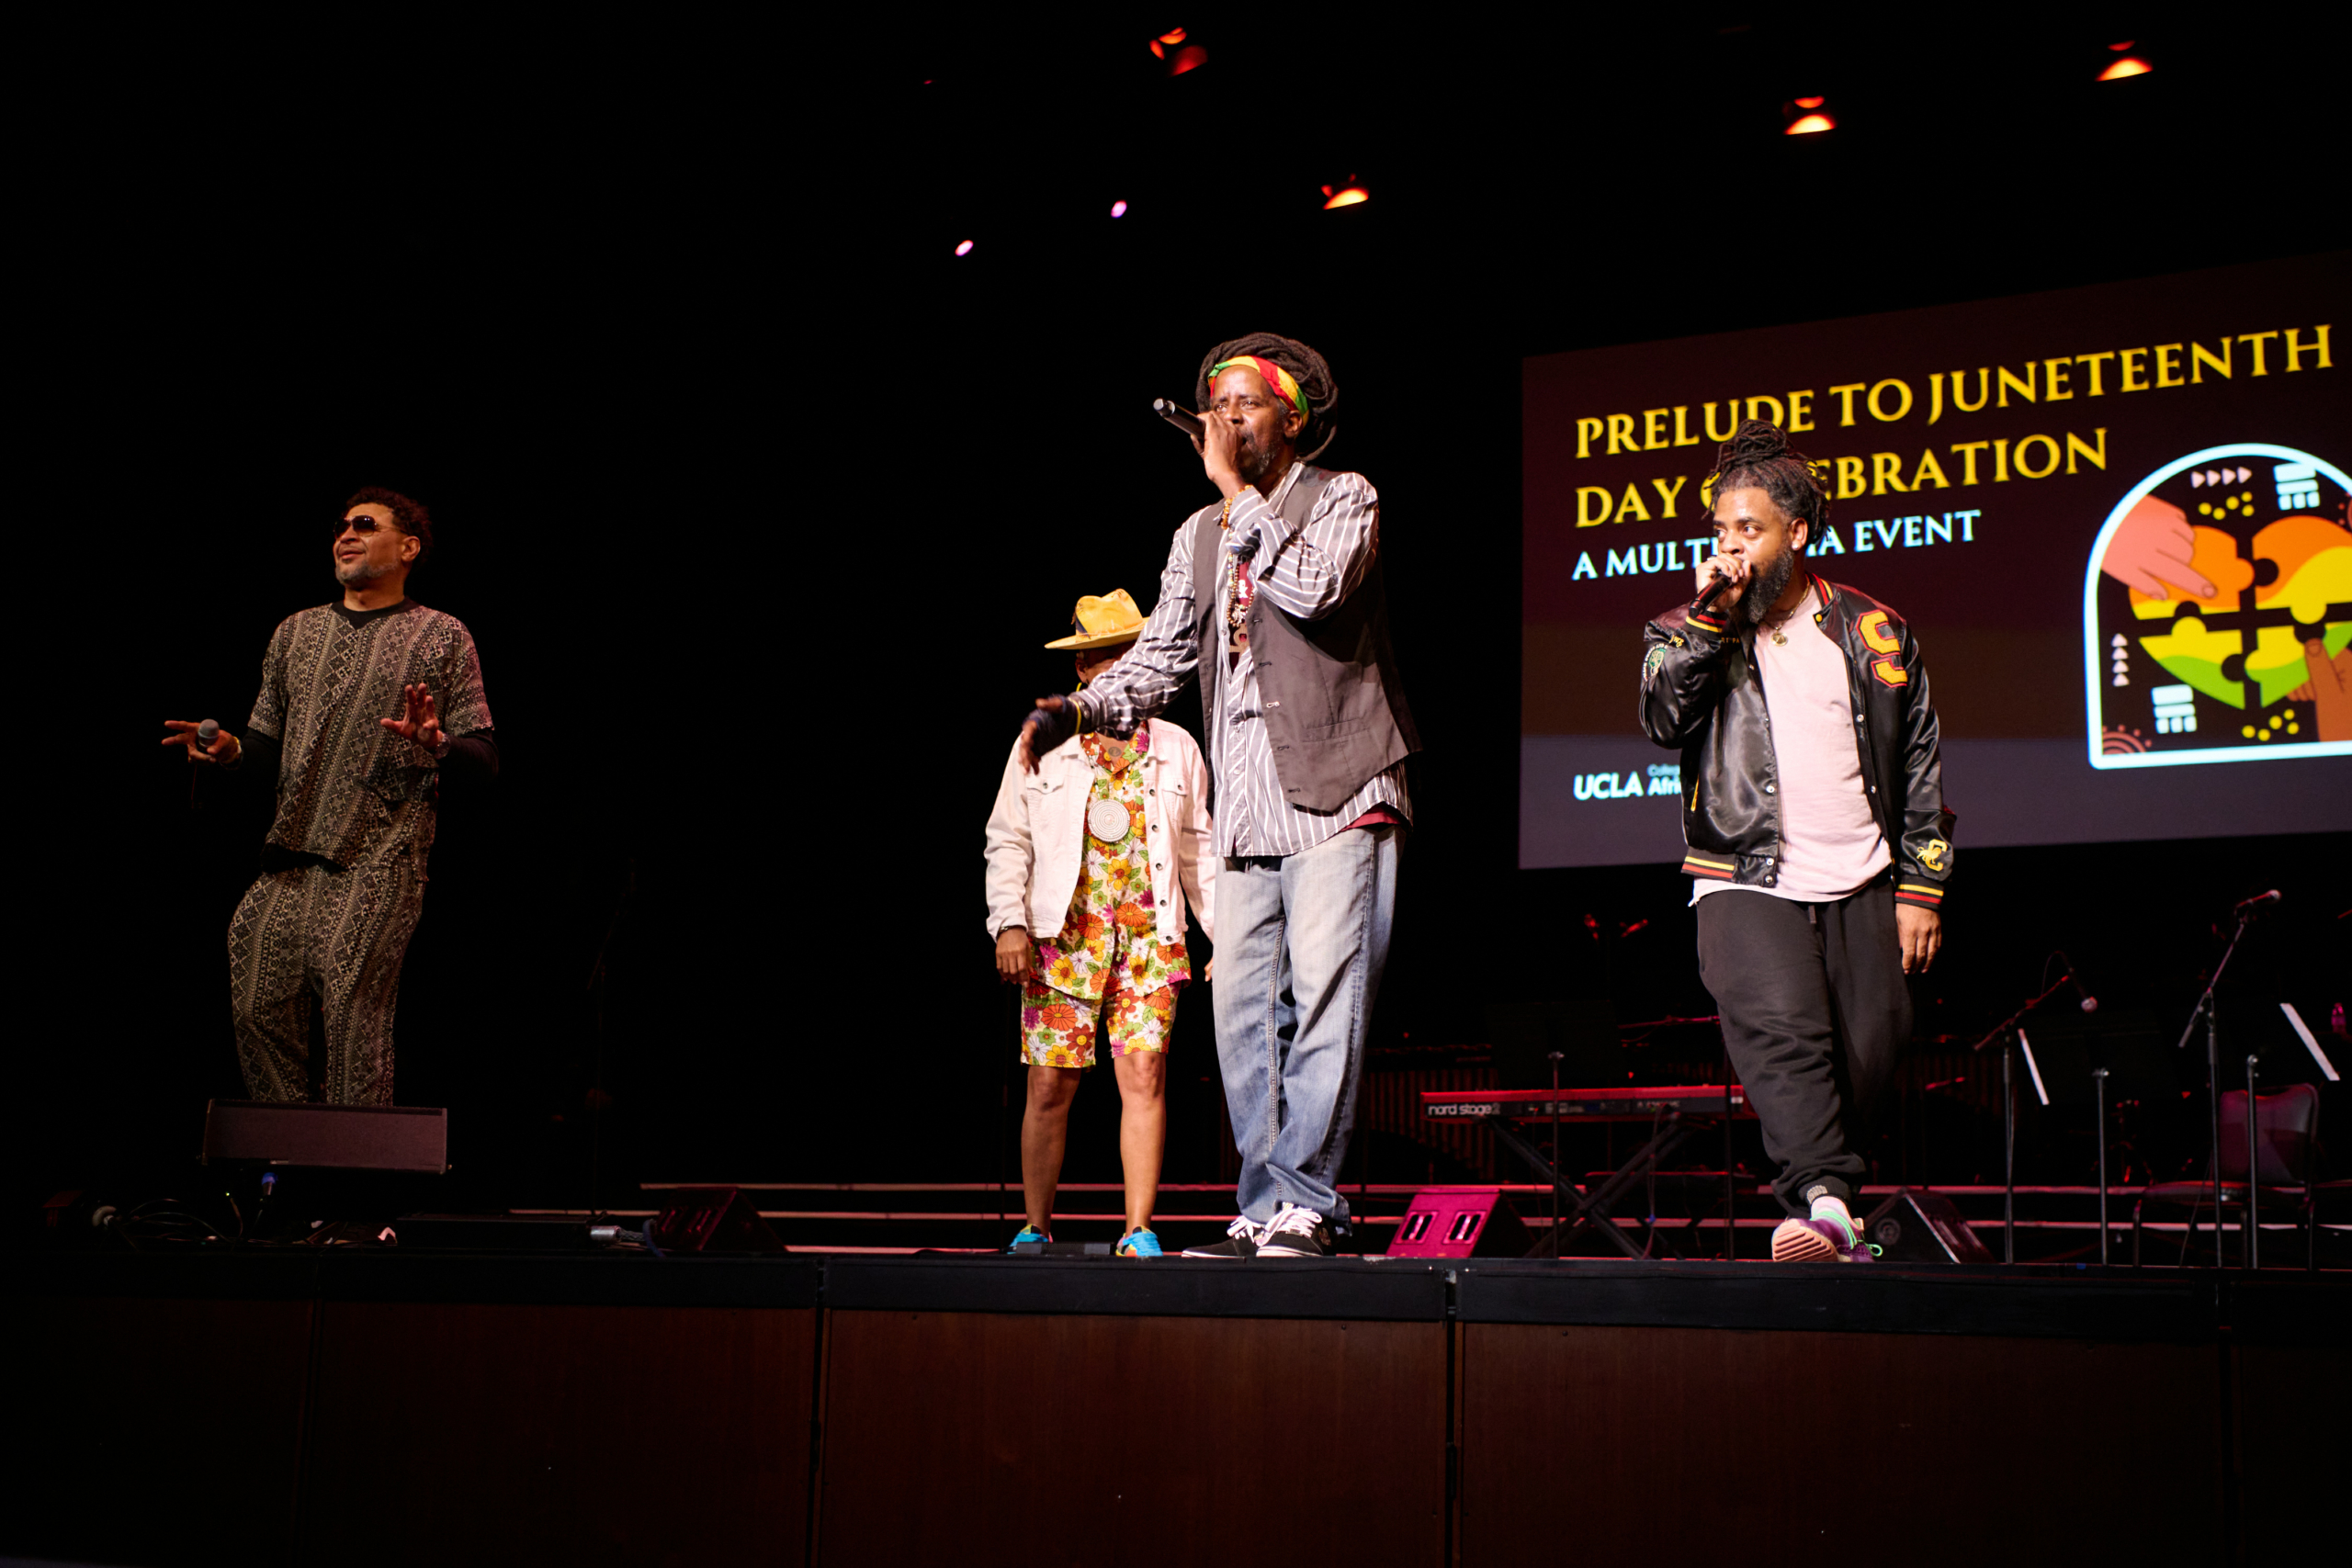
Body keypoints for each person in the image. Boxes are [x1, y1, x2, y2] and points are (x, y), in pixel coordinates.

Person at [1015, 333, 1418, 1259]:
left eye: (1246, 403)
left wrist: (1240, 498)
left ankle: (1308, 1201)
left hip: (1338, 791)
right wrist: (1077, 709)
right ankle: (1262, 1202)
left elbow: (1314, 593)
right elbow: (1159, 658)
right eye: (1216, 404)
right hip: (1240, 811)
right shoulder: (1196, 535)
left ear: (1292, 419)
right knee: (1242, 1018)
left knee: (1324, 1003)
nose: (1227, 417)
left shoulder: (1341, 498)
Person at [1639, 421, 1952, 1262]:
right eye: (1720, 530)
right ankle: (1823, 1202)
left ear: (1797, 533)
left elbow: (1920, 760)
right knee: (1782, 1032)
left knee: (1872, 1042)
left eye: (1750, 529)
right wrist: (1709, 618)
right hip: (1742, 870)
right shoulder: (1687, 627)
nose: (1731, 545)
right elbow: (1663, 719)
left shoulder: (1873, 630)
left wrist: (1922, 887)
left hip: (1863, 874)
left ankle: (1837, 1204)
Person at [163, 488, 496, 1106]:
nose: (347, 533)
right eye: (342, 525)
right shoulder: (295, 632)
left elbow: (485, 758)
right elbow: (266, 748)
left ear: (409, 547)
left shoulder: (443, 635)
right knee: (255, 994)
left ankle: (351, 1191)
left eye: (366, 525)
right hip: (288, 864)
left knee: (353, 1027)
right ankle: (292, 1168)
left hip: (378, 864)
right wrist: (233, 751)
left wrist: (437, 740)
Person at [985, 590, 1218, 1258]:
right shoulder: (1045, 743)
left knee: (1144, 1076)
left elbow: (1201, 848)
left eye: (1128, 653)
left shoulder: (1175, 747)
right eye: (1103, 656)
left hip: (1148, 938)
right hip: (1065, 937)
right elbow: (1009, 837)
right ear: (1083, 667)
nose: (1115, 665)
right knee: (1049, 1082)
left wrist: (1224, 936)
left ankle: (1138, 1228)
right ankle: (1036, 1224)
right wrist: (1010, 922)